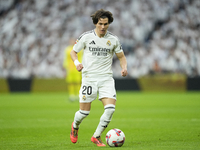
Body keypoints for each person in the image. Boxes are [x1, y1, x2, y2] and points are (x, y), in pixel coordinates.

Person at [70, 9, 128, 147]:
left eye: (106, 24)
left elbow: (121, 57)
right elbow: (74, 52)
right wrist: (77, 63)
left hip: (106, 78)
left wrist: (124, 67)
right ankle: (75, 125)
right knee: (84, 112)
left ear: (109, 23)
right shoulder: (86, 37)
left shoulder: (113, 39)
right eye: (100, 23)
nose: (103, 27)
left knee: (110, 109)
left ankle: (96, 136)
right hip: (89, 78)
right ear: (96, 23)